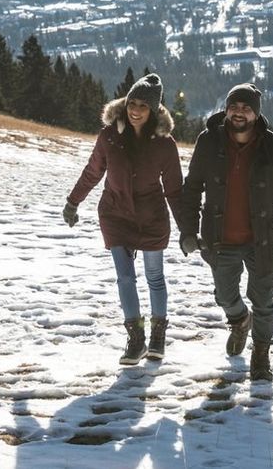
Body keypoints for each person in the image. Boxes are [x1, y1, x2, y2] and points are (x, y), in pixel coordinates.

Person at [175, 83, 273, 382]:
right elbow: (192, 189)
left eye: (246, 107)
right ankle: (239, 320)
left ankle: (261, 353)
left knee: (264, 300)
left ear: (256, 114)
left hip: (262, 240)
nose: (239, 112)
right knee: (224, 296)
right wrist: (188, 231)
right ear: (226, 108)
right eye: (234, 105)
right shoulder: (209, 142)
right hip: (220, 239)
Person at [63, 73, 191, 365]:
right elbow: (93, 171)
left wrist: (187, 230)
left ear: (154, 110)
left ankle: (158, 336)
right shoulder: (109, 135)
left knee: (154, 277)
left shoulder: (164, 144)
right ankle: (136, 340)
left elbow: (174, 189)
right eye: (132, 103)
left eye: (143, 106)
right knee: (125, 277)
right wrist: (73, 202)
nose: (135, 110)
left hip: (151, 217)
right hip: (115, 213)